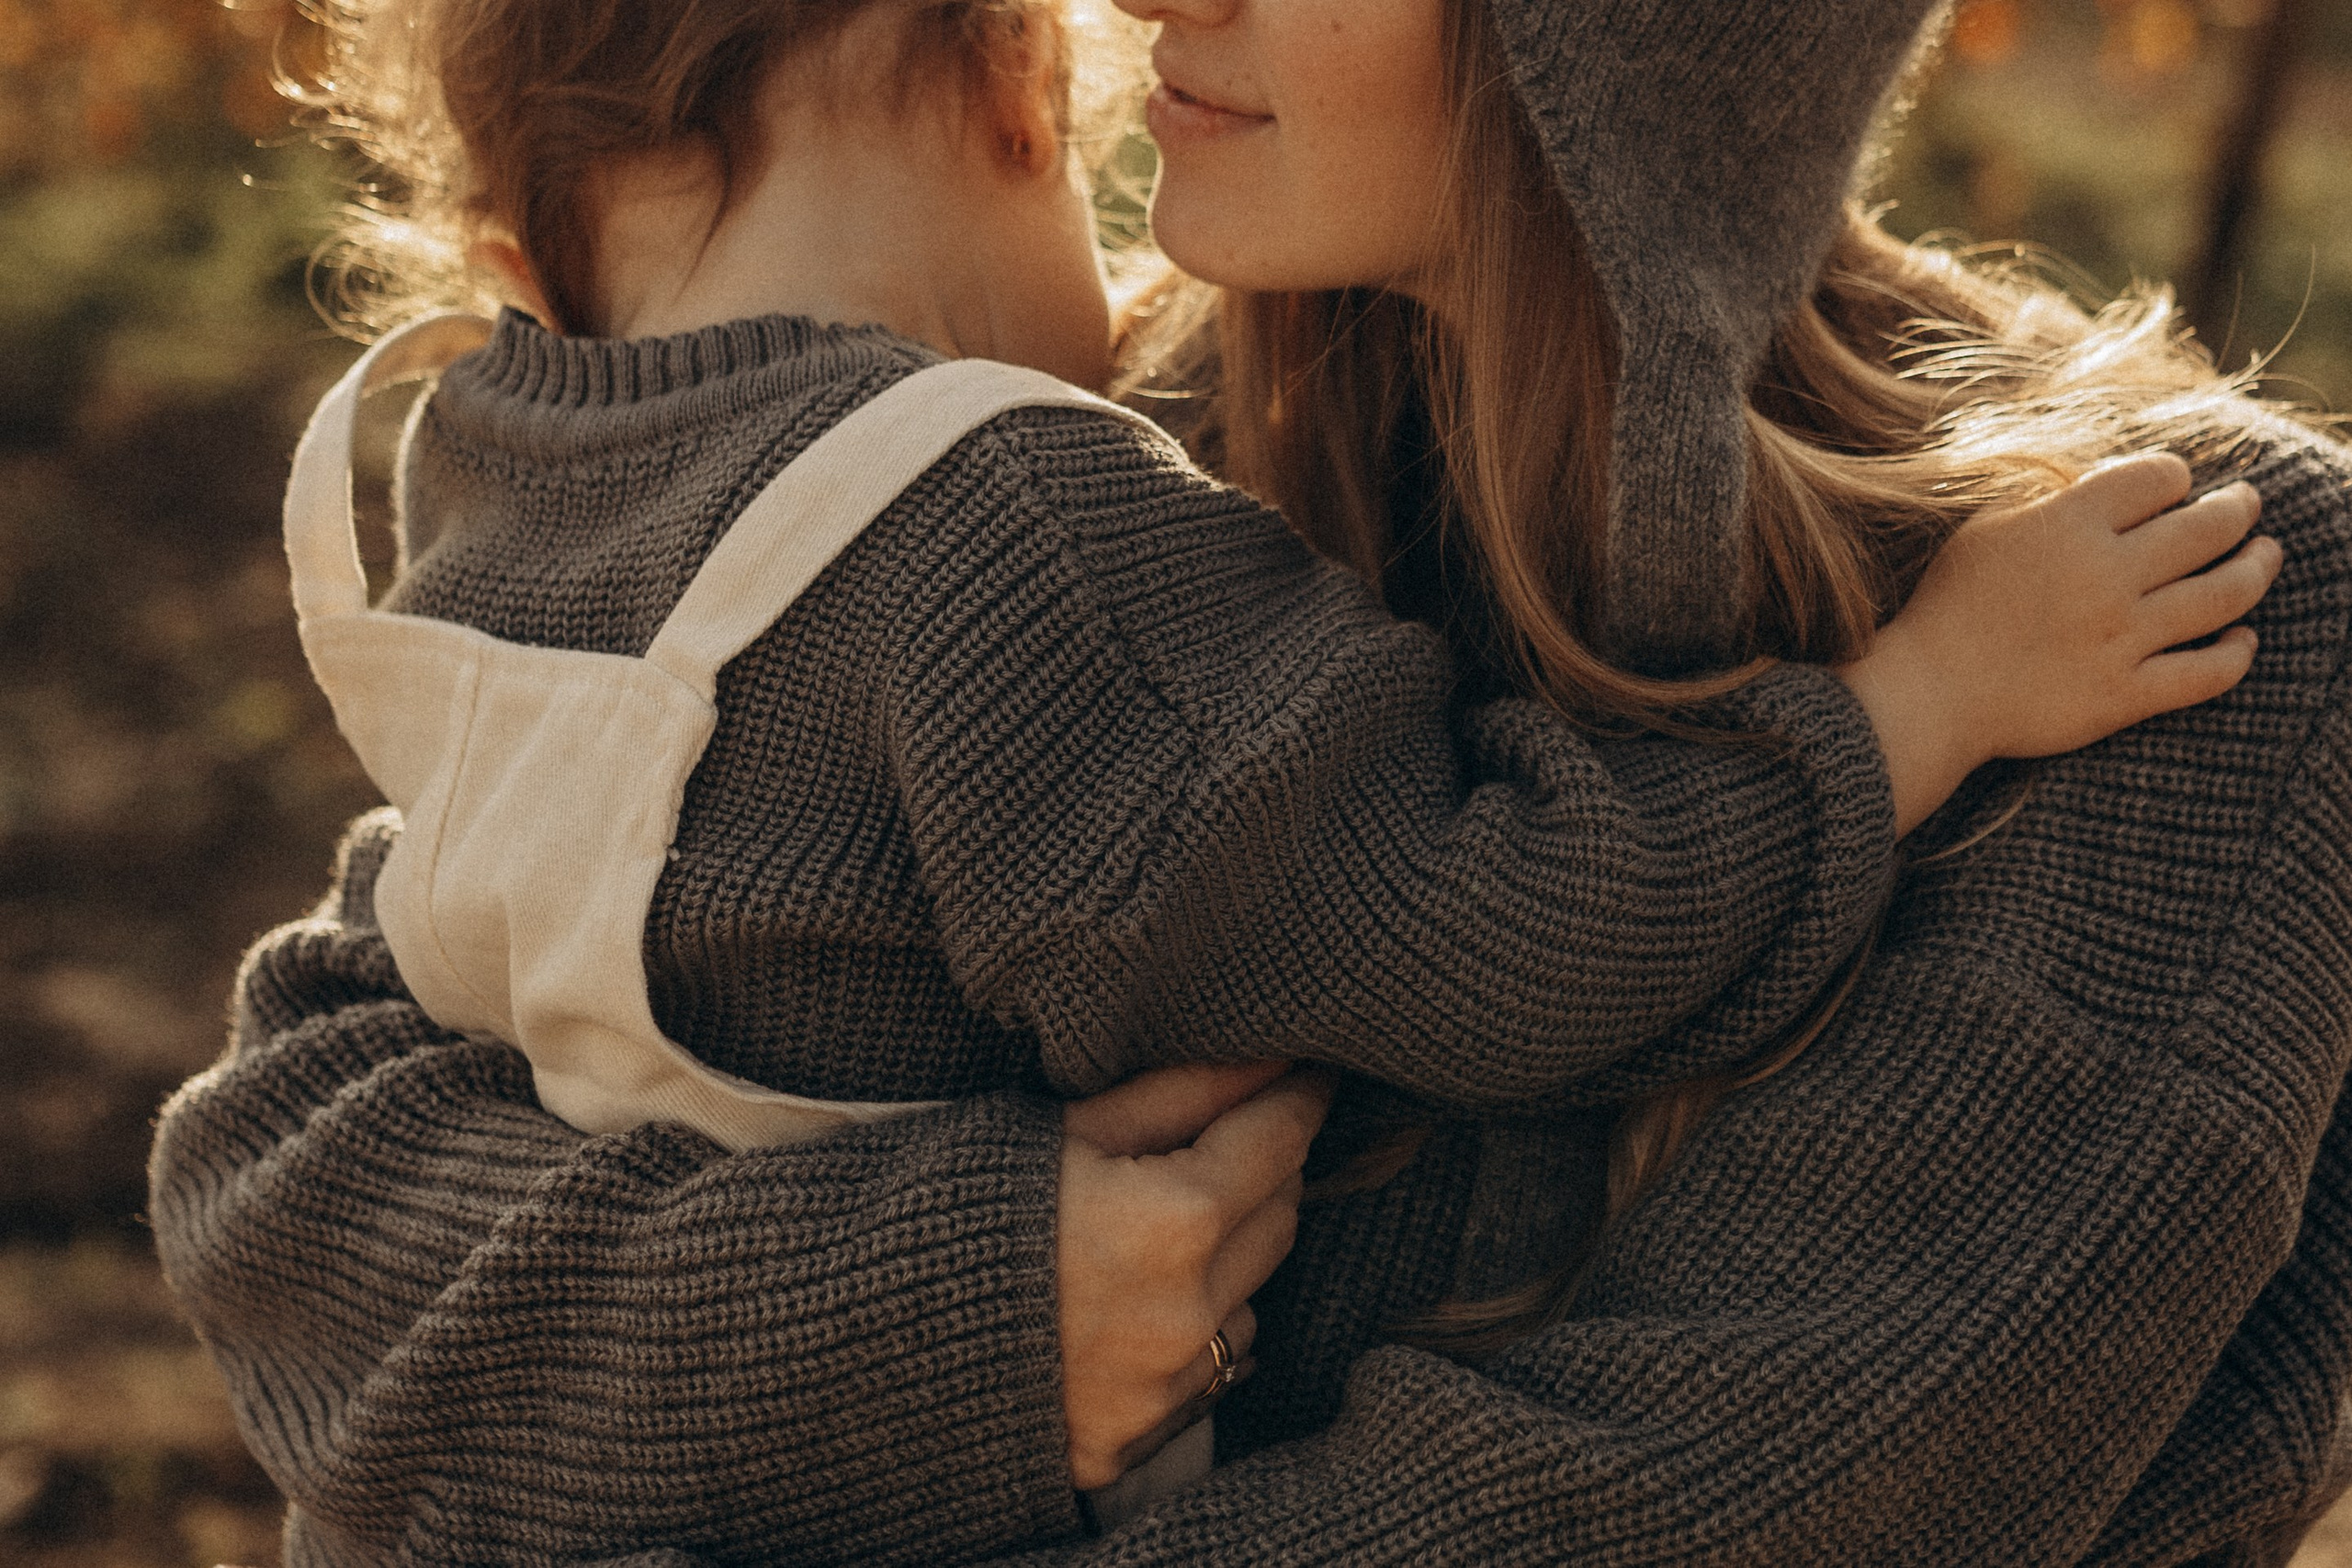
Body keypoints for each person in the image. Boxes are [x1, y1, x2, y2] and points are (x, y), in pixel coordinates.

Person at [147, 6, 2352, 1568]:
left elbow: (1720, 1498)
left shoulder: (2185, 595)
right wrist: (958, 1318)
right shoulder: (1031, 476)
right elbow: (292, 1187)